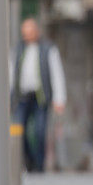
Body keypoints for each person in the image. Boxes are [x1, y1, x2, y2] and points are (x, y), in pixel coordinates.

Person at [11, 18, 66, 173]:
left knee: (40, 130)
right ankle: (28, 160)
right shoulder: (18, 49)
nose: (27, 36)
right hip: (22, 96)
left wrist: (59, 99)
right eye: (25, 33)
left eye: (30, 32)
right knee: (18, 130)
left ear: (36, 32)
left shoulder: (48, 49)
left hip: (40, 96)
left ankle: (39, 165)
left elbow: (56, 74)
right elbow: (11, 74)